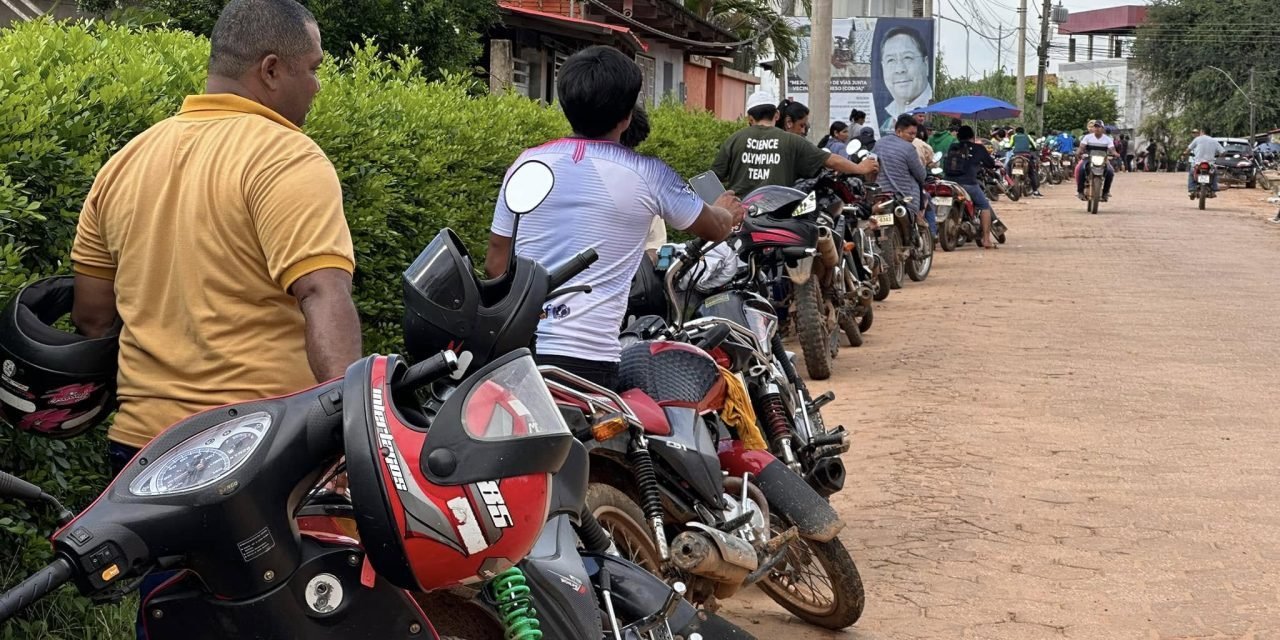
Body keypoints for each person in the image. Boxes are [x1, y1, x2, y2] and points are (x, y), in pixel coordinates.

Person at [68, 1, 361, 636]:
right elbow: (321, 292)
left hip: (145, 452)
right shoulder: (287, 157)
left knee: (174, 618)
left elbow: (92, 317)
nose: (318, 85)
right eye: (314, 69)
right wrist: (356, 421)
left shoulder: (126, 161)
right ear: (272, 69)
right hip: (258, 456)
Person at [485, 46, 743, 389]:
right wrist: (727, 210)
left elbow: (495, 265)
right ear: (627, 117)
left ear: (566, 105)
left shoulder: (526, 163)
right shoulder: (649, 173)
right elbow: (714, 227)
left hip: (516, 354)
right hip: (589, 361)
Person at [713, 91, 878, 196]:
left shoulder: (734, 140)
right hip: (778, 214)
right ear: (777, 115)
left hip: (740, 215)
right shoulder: (792, 141)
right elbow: (831, 160)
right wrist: (860, 168)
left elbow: (712, 178)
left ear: (750, 118)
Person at [943, 125, 1000, 249]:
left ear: (958, 136)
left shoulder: (953, 146)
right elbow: (990, 163)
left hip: (949, 182)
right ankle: (986, 240)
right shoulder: (979, 148)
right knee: (984, 206)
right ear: (972, 136)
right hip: (968, 183)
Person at [875, 114, 929, 235]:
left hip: (882, 193)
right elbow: (920, 175)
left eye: (915, 134)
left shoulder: (879, 143)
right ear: (899, 131)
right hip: (904, 196)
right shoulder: (909, 148)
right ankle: (916, 230)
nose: (913, 137)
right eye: (910, 134)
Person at [877, 27, 933, 135]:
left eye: (908, 58)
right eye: (891, 60)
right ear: (883, 66)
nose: (899, 69)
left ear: (925, 64)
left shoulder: (935, 110)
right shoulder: (885, 123)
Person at [1075, 119, 1118, 201]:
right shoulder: (1087, 137)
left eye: (1099, 127)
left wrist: (1115, 153)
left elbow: (1112, 149)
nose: (1097, 128)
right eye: (1095, 127)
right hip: (1089, 158)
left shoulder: (1108, 139)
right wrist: (1078, 152)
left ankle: (1105, 192)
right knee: (1081, 169)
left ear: (1103, 129)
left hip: (1103, 160)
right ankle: (1080, 191)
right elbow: (1081, 147)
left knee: (1110, 172)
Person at [1184, 126, 1225, 198]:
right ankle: (1214, 189)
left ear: (1202, 131)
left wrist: (1185, 153)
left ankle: (1192, 189)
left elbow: (1188, 149)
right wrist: (1218, 156)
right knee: (1214, 173)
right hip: (1210, 164)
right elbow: (1223, 152)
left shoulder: (1197, 139)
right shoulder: (1214, 141)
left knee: (1191, 173)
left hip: (1198, 163)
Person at [1009, 126, 1044, 198]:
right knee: (1032, 172)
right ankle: (1035, 191)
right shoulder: (1028, 136)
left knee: (1008, 167)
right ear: (1023, 131)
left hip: (1016, 155)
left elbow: (1010, 145)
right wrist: (1033, 148)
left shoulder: (1013, 136)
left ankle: (1008, 183)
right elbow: (1034, 145)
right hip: (1026, 156)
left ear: (1016, 132)